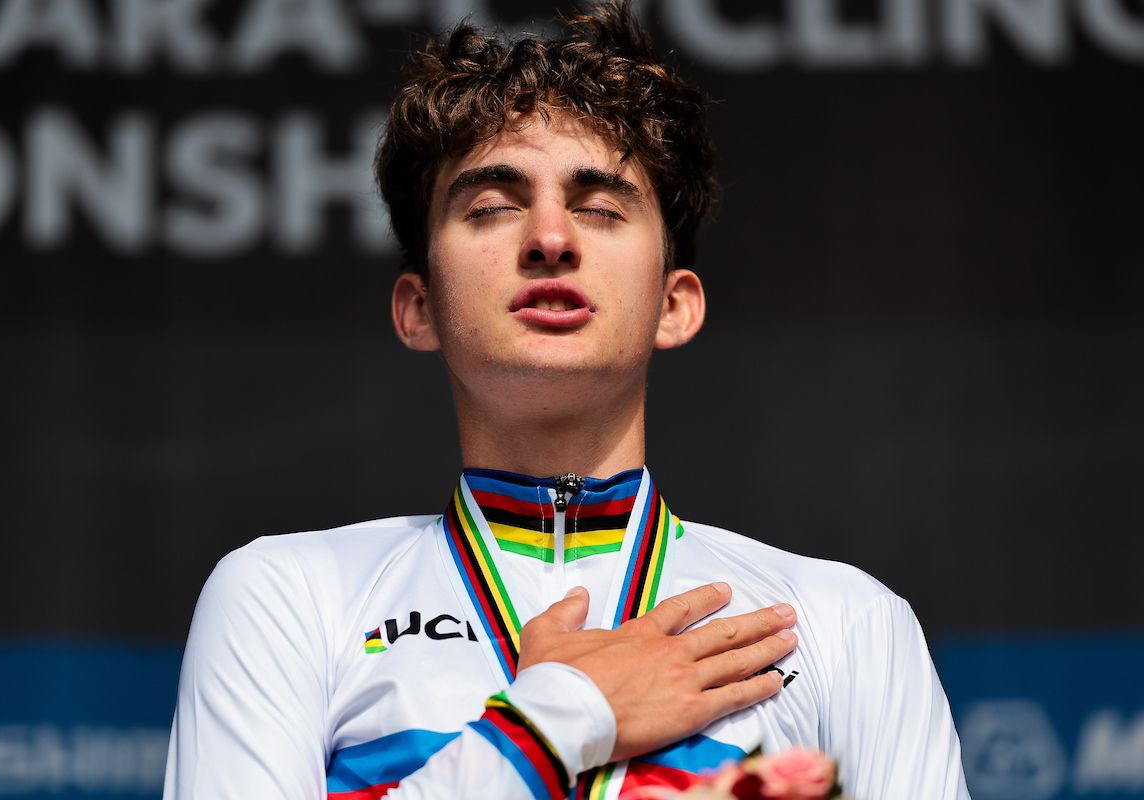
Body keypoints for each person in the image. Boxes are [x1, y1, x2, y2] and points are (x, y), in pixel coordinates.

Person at [164, 3, 969, 798]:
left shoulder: (844, 624)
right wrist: (551, 724)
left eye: (599, 207)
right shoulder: (288, 597)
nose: (551, 237)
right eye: (491, 206)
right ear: (418, 309)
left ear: (673, 305)